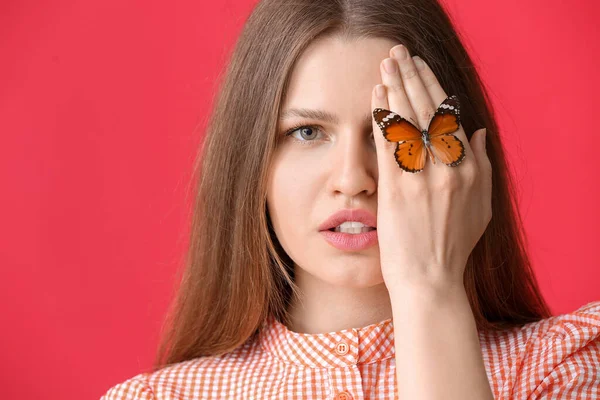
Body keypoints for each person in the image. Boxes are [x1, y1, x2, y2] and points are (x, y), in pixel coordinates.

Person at [101, 0, 600, 398]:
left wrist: (428, 288)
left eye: (390, 131)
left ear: (461, 159)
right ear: (251, 163)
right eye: (307, 132)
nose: (353, 178)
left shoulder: (561, 368)